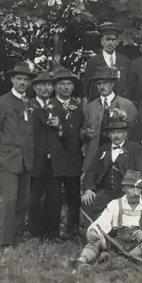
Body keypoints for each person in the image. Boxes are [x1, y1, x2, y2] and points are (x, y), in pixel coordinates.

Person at [0, 61, 35, 259]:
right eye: (19, 78)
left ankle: (17, 235)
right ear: (12, 79)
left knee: (24, 200)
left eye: (25, 79)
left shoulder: (30, 103)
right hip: (7, 159)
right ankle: (6, 242)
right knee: (10, 200)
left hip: (26, 160)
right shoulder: (1, 103)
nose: (22, 82)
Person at [75, 170, 142, 268]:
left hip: (141, 243)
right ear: (124, 188)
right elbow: (101, 223)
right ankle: (81, 261)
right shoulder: (115, 204)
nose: (136, 192)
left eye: (138, 188)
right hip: (118, 243)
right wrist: (93, 231)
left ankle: (121, 258)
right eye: (132, 187)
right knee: (96, 238)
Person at [81, 108, 142, 220]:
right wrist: (89, 189)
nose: (116, 136)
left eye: (120, 132)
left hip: (126, 193)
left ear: (126, 133)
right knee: (88, 202)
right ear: (108, 134)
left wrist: (138, 193)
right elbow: (91, 171)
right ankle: (94, 235)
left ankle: (119, 235)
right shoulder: (103, 149)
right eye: (113, 132)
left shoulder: (135, 148)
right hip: (106, 192)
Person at [27, 71, 67, 241]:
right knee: (35, 196)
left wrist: (59, 127)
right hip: (36, 158)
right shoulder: (28, 107)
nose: (45, 88)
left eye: (49, 85)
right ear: (35, 87)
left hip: (54, 160)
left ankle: (53, 233)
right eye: (41, 85)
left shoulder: (58, 107)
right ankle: (35, 233)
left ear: (53, 88)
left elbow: (65, 136)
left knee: (55, 197)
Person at [81, 67, 137, 174]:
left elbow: (134, 133)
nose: (102, 86)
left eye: (105, 83)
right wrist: (86, 133)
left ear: (112, 84)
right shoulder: (90, 107)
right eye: (99, 84)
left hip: (120, 157)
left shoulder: (127, 105)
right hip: (95, 157)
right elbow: (83, 130)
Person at [50, 68, 84, 240]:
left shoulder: (78, 108)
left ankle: (73, 230)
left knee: (73, 196)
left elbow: (81, 131)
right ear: (55, 87)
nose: (65, 87)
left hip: (73, 158)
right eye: (62, 84)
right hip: (54, 159)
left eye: (69, 84)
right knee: (53, 197)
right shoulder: (49, 106)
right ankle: (53, 231)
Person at [82, 22, 131, 101]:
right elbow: (86, 88)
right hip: (99, 104)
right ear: (102, 41)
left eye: (113, 39)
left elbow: (129, 85)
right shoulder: (93, 62)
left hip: (121, 104)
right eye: (107, 39)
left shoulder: (125, 61)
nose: (110, 43)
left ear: (117, 42)